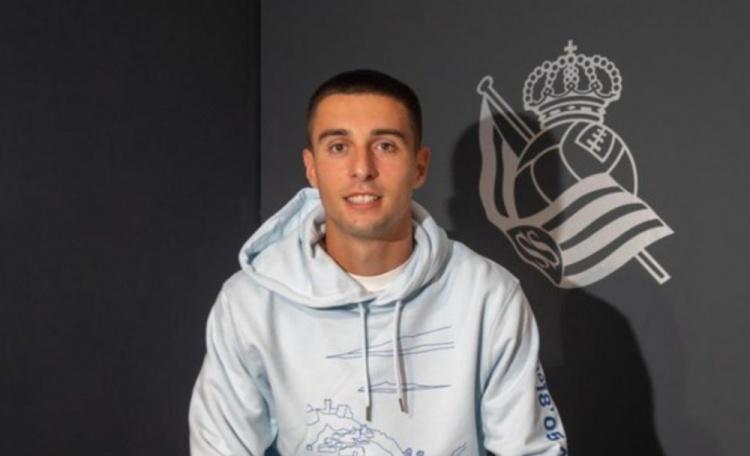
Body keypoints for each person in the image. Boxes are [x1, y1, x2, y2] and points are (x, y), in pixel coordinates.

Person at [189, 69, 567, 455]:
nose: (362, 168)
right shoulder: (250, 303)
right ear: (311, 167)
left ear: (419, 166)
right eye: (339, 146)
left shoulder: (489, 295)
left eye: (385, 146)